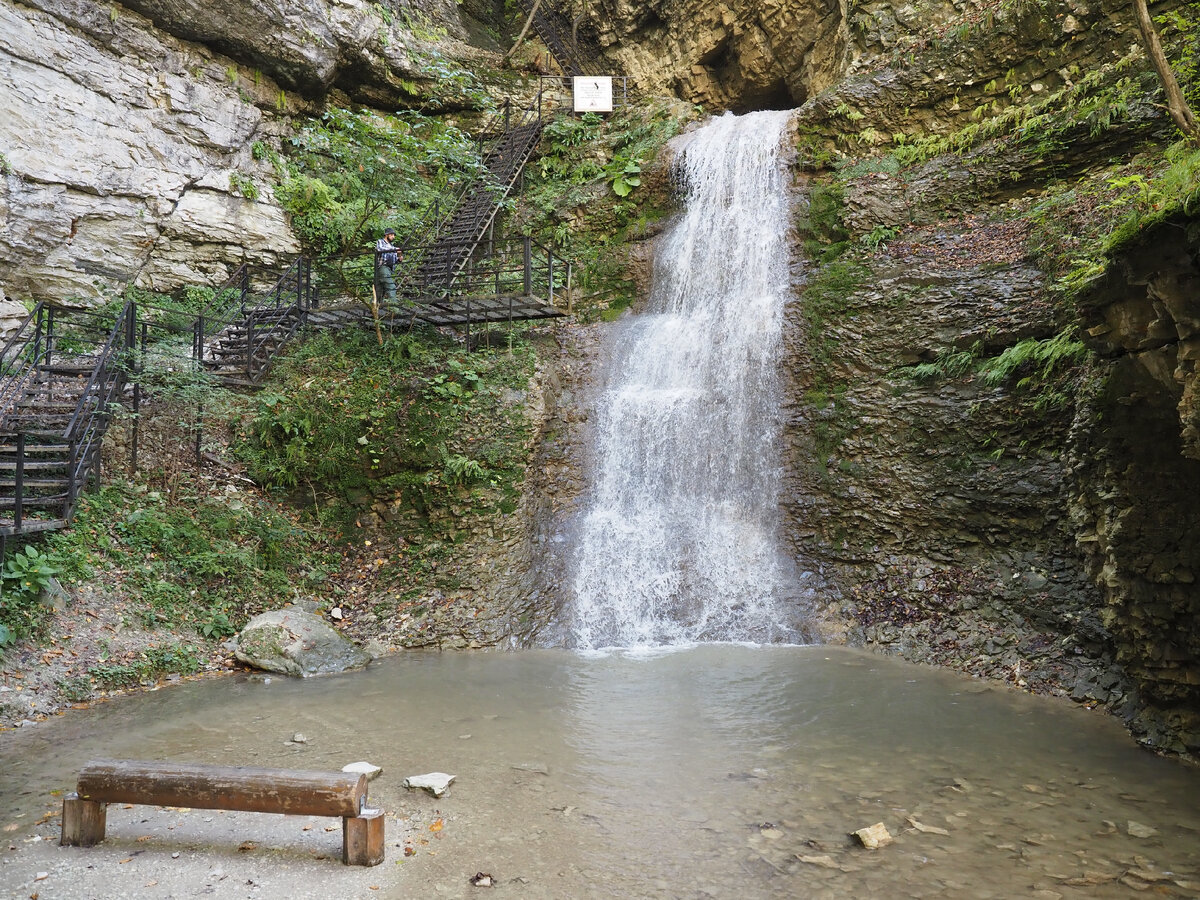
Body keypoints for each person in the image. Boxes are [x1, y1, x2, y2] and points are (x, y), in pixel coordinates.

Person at [374, 227, 402, 303]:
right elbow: (379, 249)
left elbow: (394, 260)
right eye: (392, 235)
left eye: (394, 235)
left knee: (379, 291)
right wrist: (395, 249)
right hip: (383, 267)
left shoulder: (392, 246)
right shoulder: (381, 242)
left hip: (389, 269)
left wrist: (399, 259)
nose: (393, 237)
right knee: (391, 287)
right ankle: (394, 307)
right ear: (387, 235)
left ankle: (372, 307)